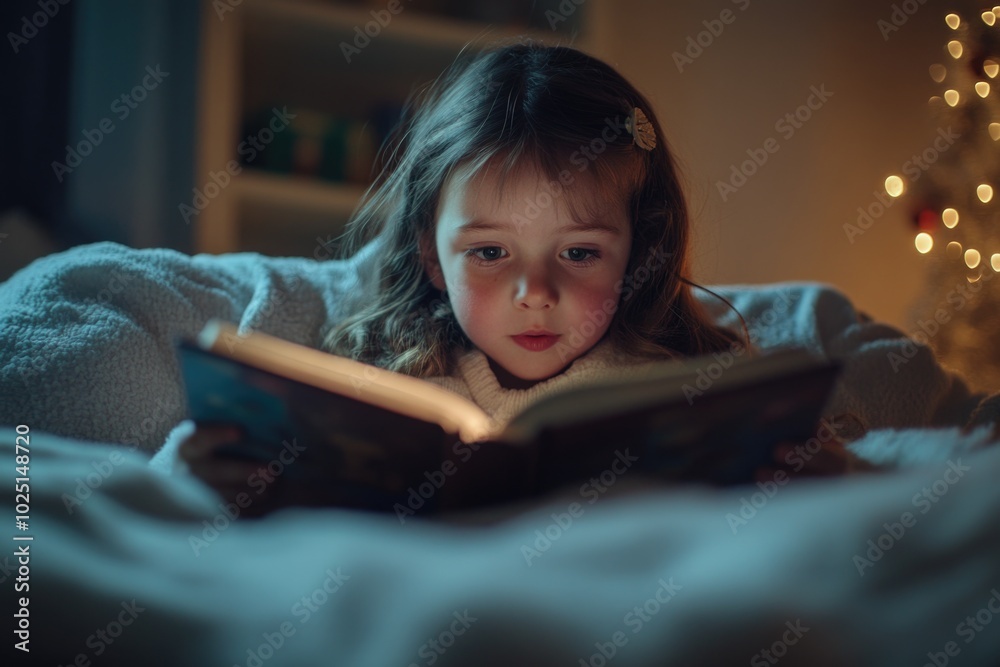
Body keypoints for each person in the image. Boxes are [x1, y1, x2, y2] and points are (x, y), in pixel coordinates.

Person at [179, 41, 868, 512]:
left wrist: (812, 475)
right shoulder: (389, 383)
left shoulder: (678, 386)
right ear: (431, 256)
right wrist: (211, 480)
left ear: (637, 251)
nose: (535, 292)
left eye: (579, 253)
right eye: (488, 253)